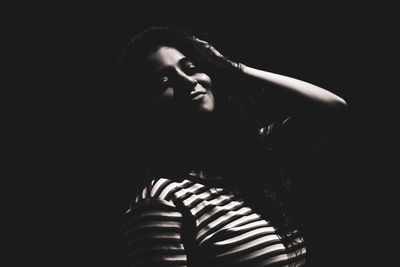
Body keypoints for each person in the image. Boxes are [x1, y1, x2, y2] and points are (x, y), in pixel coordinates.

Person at [118, 27, 346, 266]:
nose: (187, 81)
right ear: (145, 110)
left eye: (191, 68)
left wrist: (232, 67)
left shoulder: (248, 158)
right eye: (164, 81)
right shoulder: (161, 202)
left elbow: (330, 108)